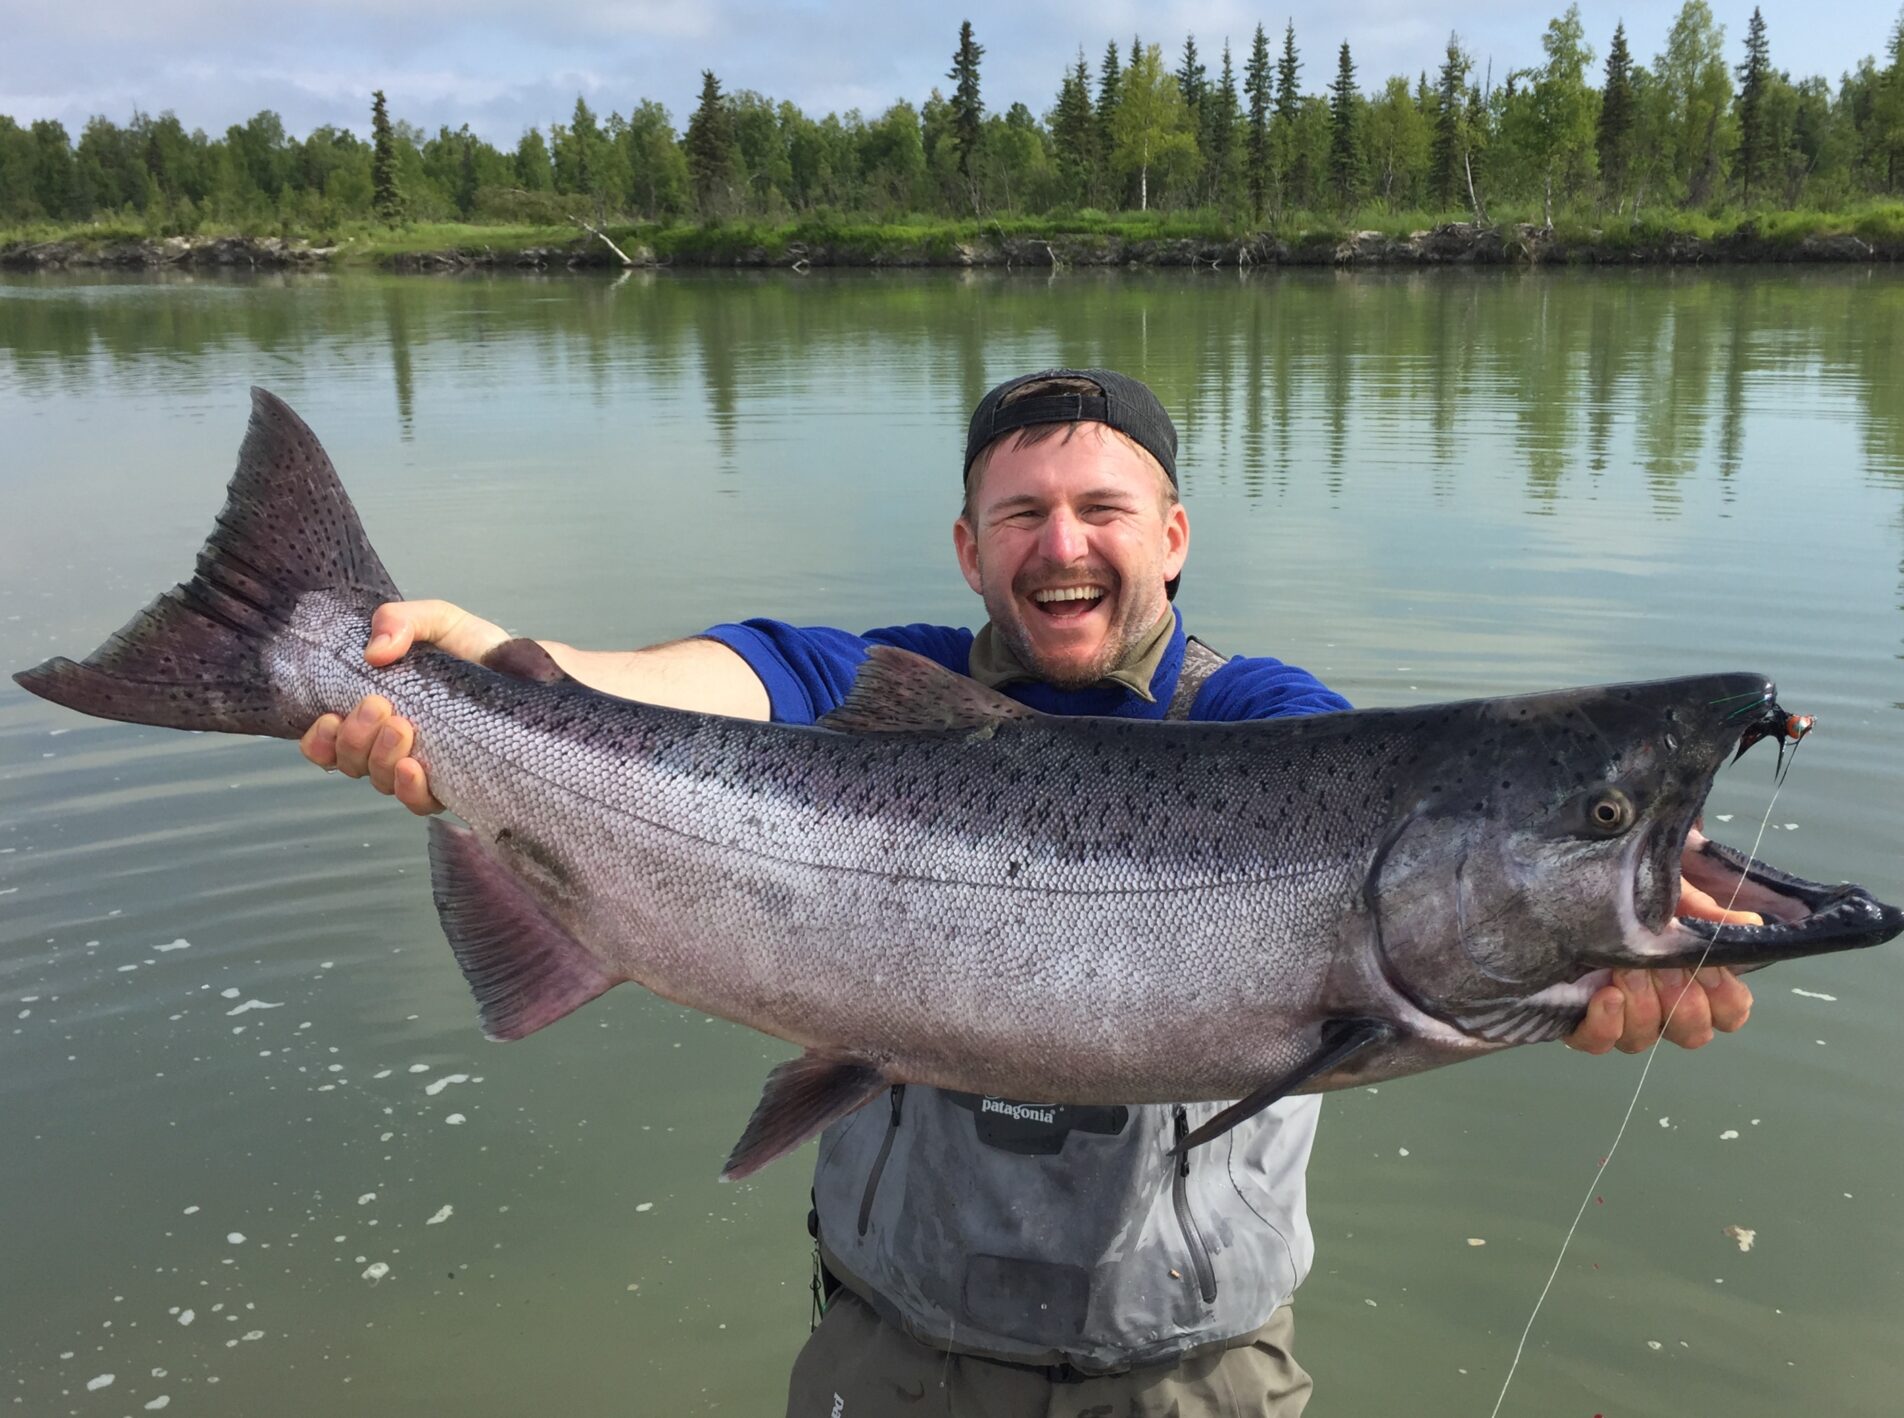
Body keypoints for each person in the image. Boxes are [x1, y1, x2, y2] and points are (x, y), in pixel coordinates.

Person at [300, 369, 1756, 1415]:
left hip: (1193, 1379)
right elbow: (691, 682)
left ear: (1173, 535)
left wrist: (1567, 960)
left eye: (1103, 508)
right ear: (968, 548)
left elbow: (1453, 863)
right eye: (1023, 513)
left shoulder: (1272, 726)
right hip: (891, 1359)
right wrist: (467, 672)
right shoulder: (863, 683)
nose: (1063, 545)